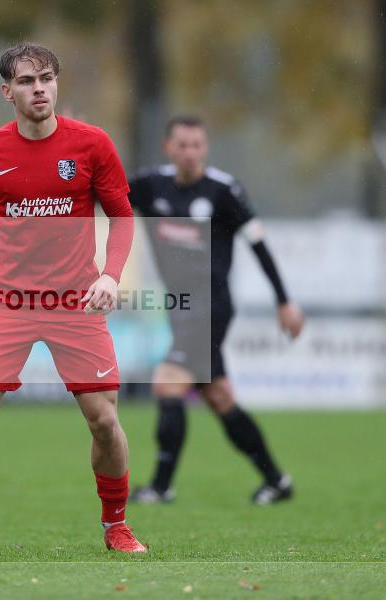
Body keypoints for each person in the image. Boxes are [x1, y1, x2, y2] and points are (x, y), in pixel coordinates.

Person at [0, 43, 145, 552]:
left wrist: (111, 276)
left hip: (76, 304)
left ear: (57, 84)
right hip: (10, 303)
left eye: (46, 78)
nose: (39, 89)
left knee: (104, 421)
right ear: (8, 92)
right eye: (26, 81)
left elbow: (123, 216)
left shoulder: (92, 145)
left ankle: (115, 524)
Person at [128, 115, 305, 505]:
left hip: (211, 307)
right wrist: (71, 146)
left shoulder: (223, 191)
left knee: (168, 382)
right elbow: (101, 194)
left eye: (197, 145)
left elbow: (259, 245)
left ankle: (161, 487)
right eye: (182, 145)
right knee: (219, 397)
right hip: (181, 308)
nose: (190, 153)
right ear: (168, 148)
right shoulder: (150, 185)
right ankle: (276, 480)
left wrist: (283, 300)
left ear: (205, 148)